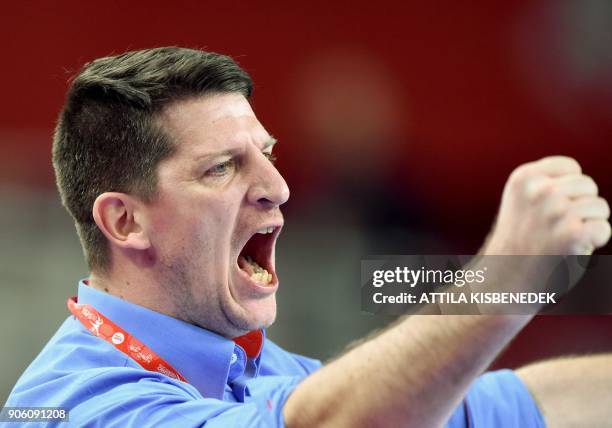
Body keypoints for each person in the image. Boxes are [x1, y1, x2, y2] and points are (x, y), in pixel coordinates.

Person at [4, 47, 611, 427]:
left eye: (266, 155)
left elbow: (519, 404)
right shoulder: (71, 406)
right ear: (125, 222)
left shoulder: (268, 368)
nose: (277, 186)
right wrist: (501, 282)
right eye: (222, 168)